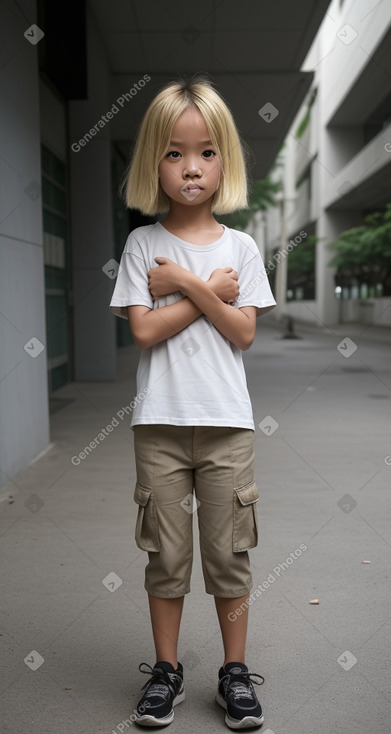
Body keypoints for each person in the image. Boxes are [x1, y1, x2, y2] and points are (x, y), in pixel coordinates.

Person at [109, 74, 276, 730]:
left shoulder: (241, 247)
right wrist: (202, 288)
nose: (190, 167)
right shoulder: (141, 246)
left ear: (223, 160)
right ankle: (167, 671)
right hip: (158, 427)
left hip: (227, 428)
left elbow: (242, 331)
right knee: (166, 557)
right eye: (174, 153)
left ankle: (233, 673)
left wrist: (182, 286)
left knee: (228, 554)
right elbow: (144, 330)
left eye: (205, 152)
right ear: (154, 161)